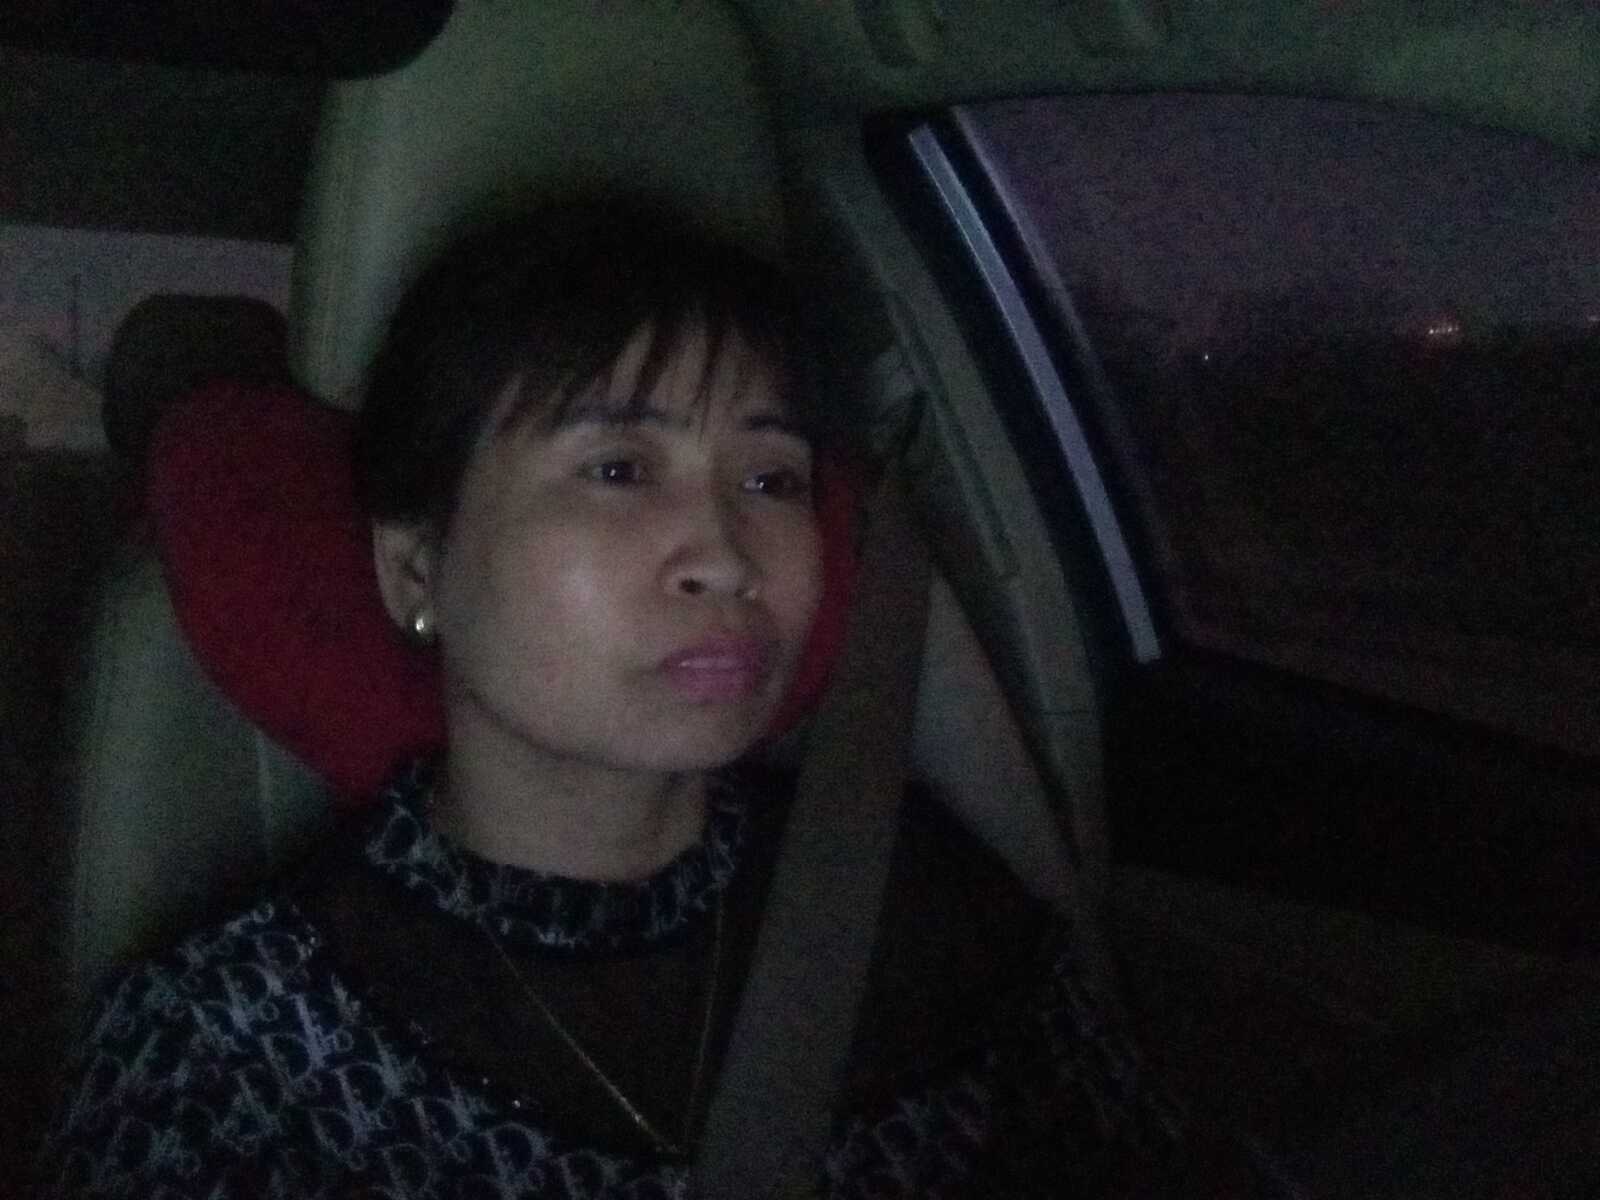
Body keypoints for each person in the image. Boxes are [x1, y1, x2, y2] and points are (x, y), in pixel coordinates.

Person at [40, 201, 1285, 1198]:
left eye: (771, 478)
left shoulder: (933, 912)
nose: (728, 556)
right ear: (417, 568)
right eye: (619, 468)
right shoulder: (232, 1053)